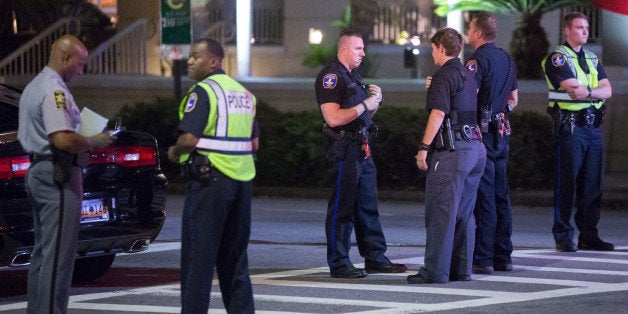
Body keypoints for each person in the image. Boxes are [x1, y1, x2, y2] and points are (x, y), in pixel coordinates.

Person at [17, 35, 113, 313]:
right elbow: (62, 139)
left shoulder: (35, 85)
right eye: (80, 64)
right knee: (58, 256)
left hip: (41, 170)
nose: (80, 71)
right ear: (67, 58)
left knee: (44, 253)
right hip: (57, 175)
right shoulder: (54, 90)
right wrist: (95, 140)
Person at [167, 38, 258, 313]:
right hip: (242, 183)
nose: (190, 61)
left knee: (199, 259)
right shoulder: (244, 94)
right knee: (235, 260)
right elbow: (254, 145)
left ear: (214, 62)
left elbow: (189, 138)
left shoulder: (203, 92)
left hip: (210, 182)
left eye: (196, 57)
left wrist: (174, 152)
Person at [314, 30, 407, 278]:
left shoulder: (352, 76)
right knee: (342, 208)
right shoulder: (332, 77)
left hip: (362, 148)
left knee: (367, 206)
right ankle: (339, 262)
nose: (363, 53)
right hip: (344, 149)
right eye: (358, 49)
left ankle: (375, 256)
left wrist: (374, 104)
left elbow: (358, 115)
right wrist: (366, 103)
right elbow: (333, 118)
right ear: (343, 49)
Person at [408, 28, 486, 284]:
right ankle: (461, 269)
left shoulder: (444, 75)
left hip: (452, 151)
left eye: (433, 48)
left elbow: (439, 113)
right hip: (475, 149)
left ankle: (435, 272)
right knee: (464, 213)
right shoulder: (467, 73)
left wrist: (423, 148)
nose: (432, 53)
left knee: (441, 214)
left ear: (442, 47)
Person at [542, 12, 613, 252]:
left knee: (593, 185)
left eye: (586, 27)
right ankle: (563, 236)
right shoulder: (557, 59)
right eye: (579, 27)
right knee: (567, 184)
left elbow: (607, 90)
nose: (584, 31)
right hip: (571, 128)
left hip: (593, 128)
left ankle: (589, 236)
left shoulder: (592, 58)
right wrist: (595, 91)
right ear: (567, 31)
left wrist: (589, 91)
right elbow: (573, 90)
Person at [465, 13, 519, 274]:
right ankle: (503, 255)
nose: (468, 32)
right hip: (501, 131)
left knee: (483, 196)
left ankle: (484, 257)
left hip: (482, 133)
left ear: (477, 32)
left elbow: (467, 97)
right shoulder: (508, 59)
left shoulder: (476, 61)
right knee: (501, 194)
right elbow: (513, 100)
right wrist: (499, 110)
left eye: (470, 28)